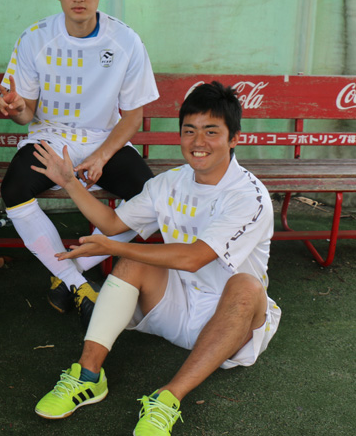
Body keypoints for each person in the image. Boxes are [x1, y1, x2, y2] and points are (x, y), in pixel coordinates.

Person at [30, 82, 281, 435]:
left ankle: (167, 399)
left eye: (211, 131)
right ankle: (88, 376)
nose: (198, 141)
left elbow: (194, 258)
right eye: (189, 131)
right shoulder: (169, 183)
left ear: (234, 139)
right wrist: (70, 182)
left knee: (247, 287)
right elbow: (113, 224)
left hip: (231, 326)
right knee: (136, 261)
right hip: (175, 306)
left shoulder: (248, 196)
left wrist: (113, 247)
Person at [0, 0, 158, 327]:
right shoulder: (35, 38)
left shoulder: (126, 41)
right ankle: (78, 284)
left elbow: (133, 116)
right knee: (14, 188)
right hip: (51, 136)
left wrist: (101, 156)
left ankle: (69, 273)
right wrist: (16, 108)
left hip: (105, 138)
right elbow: (26, 114)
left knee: (148, 200)